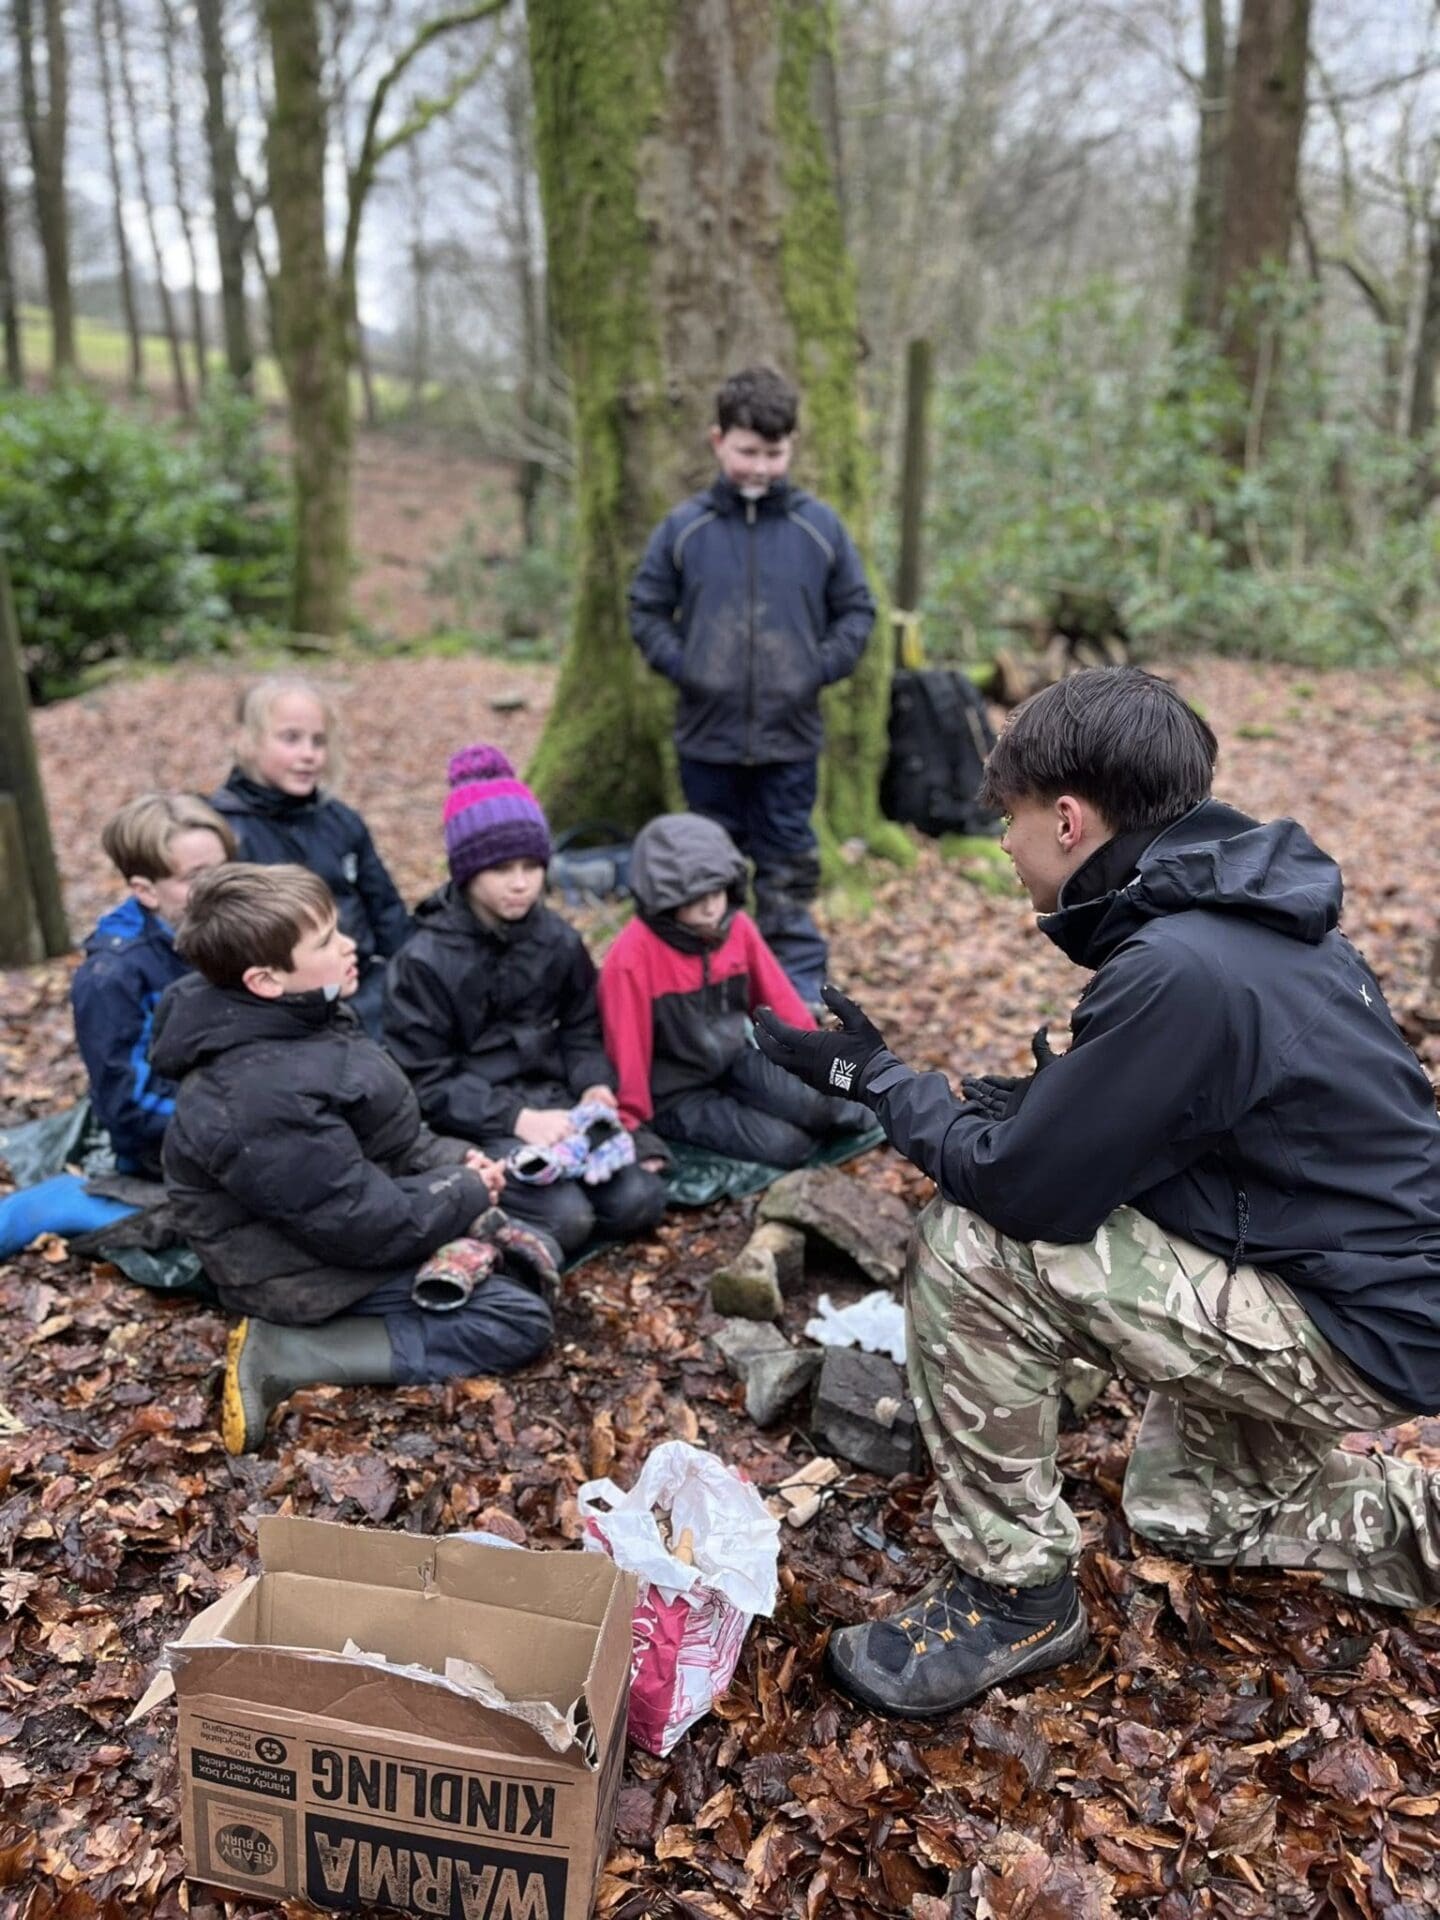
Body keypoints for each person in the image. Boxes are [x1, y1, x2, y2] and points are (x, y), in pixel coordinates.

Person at [754, 666, 1440, 1719]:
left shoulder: (1185, 966)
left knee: (977, 1245)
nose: (1002, 842)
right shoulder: (1242, 916)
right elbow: (1179, 1126)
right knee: (1184, 1511)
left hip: (1359, 1322)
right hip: (1370, 1286)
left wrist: (879, 1081)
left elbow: (1029, 1193)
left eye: (1009, 817)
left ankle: (1014, 1593)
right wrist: (1023, 1097)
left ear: (1068, 819)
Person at [152, 863, 555, 1456]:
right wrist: (463, 1191)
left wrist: (459, 1163)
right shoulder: (255, 1094)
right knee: (516, 1322)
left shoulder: (303, 1012)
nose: (350, 946)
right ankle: (290, 1353)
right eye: (325, 941)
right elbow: (357, 1224)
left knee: (535, 1249)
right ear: (264, 979)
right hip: (298, 1269)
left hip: (343, 1224)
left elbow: (382, 1137)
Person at [629, 365, 876, 1004]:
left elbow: (857, 610)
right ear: (717, 442)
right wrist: (688, 668)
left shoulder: (818, 528)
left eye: (774, 452)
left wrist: (815, 669)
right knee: (710, 864)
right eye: (747, 451)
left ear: (792, 446)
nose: (760, 466)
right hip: (705, 738)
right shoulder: (684, 529)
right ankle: (714, 986)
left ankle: (797, 993)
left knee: (789, 864)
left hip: (791, 738)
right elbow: (645, 609)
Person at [383, 746, 668, 1258]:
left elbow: (582, 1025)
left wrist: (594, 1086)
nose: (520, 883)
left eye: (532, 866)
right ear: (467, 873)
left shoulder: (556, 938)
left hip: (555, 1102)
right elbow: (423, 1078)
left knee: (640, 1200)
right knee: (570, 1217)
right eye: (501, 868)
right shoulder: (424, 960)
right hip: (476, 1120)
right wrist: (517, 1119)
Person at [599, 812, 871, 1167]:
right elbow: (627, 1052)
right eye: (695, 897)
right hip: (676, 1093)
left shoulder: (736, 927)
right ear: (664, 899)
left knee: (827, 1105)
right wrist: (633, 1128)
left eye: (717, 891)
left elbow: (779, 1000)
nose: (712, 905)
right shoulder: (631, 958)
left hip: (734, 1059)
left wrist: (812, 1056)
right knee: (786, 1146)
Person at [211, 675, 411, 1038]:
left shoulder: (341, 822)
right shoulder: (224, 833)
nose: (309, 754)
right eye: (291, 738)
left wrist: (410, 976)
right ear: (248, 741)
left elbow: (386, 911)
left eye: (318, 741)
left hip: (363, 985)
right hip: (282, 1002)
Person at [71, 792, 234, 1178]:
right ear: (145, 890)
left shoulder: (225, 929)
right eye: (195, 877)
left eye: (224, 868)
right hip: (170, 1145)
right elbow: (129, 1108)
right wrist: (239, 1120)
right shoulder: (112, 977)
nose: (220, 887)